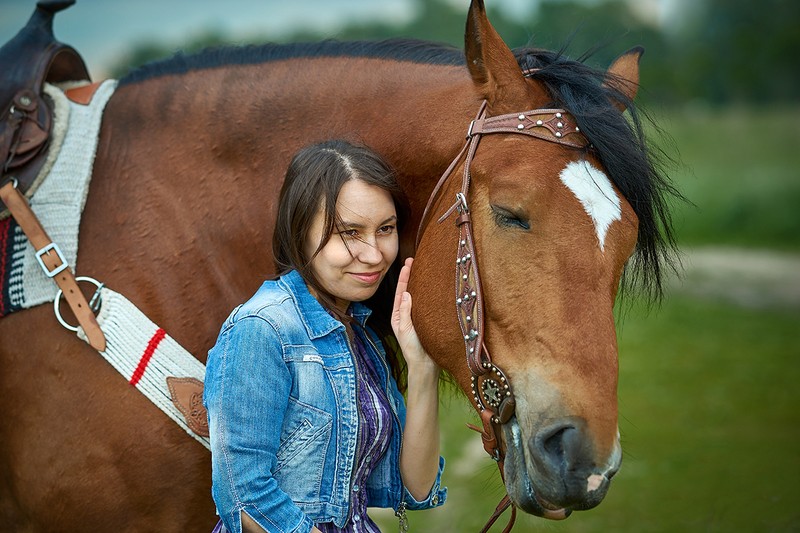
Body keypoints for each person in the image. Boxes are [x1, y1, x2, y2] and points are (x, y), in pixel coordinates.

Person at [203, 139, 446, 533]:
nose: (374, 254)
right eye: (349, 233)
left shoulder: (361, 335)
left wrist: (422, 368)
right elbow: (245, 498)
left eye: (385, 229)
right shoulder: (261, 329)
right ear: (300, 232)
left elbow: (415, 488)